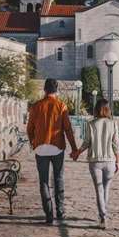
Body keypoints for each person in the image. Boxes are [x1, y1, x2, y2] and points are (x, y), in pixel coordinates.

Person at [27, 78, 79, 224]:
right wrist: (74, 148)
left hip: (40, 148)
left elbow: (29, 128)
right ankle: (60, 212)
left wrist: (33, 143)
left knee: (43, 181)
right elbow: (67, 129)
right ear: (57, 90)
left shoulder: (36, 106)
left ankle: (49, 214)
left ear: (44, 90)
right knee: (58, 179)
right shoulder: (61, 106)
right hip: (57, 148)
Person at [73, 98, 119, 229]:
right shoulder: (113, 123)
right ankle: (103, 214)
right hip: (110, 160)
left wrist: (77, 152)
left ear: (96, 109)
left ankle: (103, 217)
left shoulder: (91, 124)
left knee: (99, 189)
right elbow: (116, 144)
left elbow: (86, 142)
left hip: (95, 161)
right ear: (108, 109)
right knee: (106, 188)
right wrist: (118, 161)